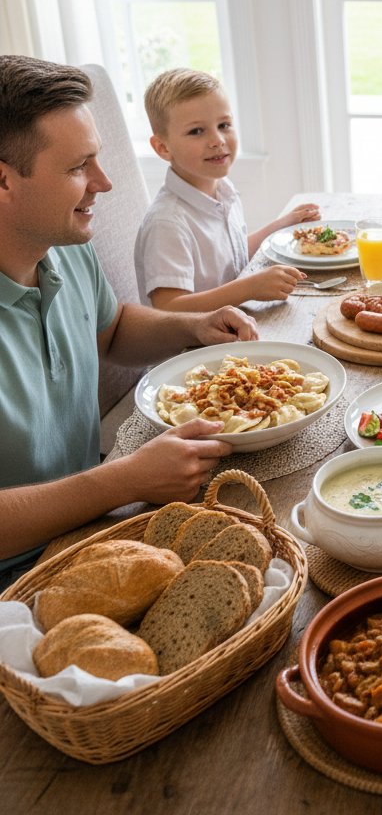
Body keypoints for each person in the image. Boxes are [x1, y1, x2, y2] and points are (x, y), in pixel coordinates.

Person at [0, 56, 259, 578]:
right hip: (20, 581)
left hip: (94, 527)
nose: (104, 182)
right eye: (78, 168)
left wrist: (192, 326)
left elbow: (112, 330)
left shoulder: (65, 245)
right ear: (4, 181)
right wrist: (123, 481)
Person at [135, 68, 321, 311]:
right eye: (197, 131)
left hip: (233, 327)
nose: (217, 140)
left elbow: (232, 256)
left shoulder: (223, 190)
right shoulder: (167, 223)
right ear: (162, 147)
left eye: (224, 125)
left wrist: (282, 224)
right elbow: (169, 307)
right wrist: (249, 288)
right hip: (194, 347)